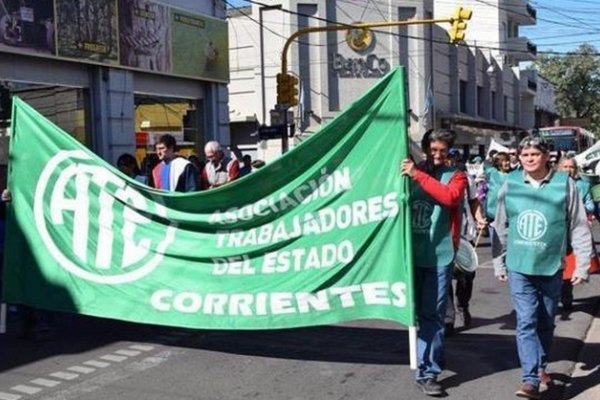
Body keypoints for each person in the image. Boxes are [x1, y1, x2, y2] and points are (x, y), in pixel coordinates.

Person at [493, 136, 593, 399]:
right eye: (524, 155)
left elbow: (579, 226)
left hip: (551, 266)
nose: (529, 159)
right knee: (525, 321)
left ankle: (540, 367)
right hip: (519, 266)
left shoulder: (565, 185)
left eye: (534, 155)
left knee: (545, 323)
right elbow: (500, 226)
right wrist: (498, 261)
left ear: (546, 156)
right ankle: (530, 380)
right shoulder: (510, 183)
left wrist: (582, 266)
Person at [400, 129, 468, 396]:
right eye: (433, 149)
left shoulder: (458, 175)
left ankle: (427, 372)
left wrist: (418, 175)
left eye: (443, 150)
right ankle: (432, 355)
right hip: (411, 255)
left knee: (433, 315)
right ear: (426, 148)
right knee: (415, 315)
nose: (437, 155)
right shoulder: (410, 171)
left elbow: (450, 197)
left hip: (439, 257)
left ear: (449, 150)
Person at [557, 155, 597, 312]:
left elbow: (591, 205)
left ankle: (566, 296)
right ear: (559, 169)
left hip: (575, 228)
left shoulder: (583, 185)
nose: (568, 170)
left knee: (569, 268)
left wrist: (581, 210)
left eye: (571, 167)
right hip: (556, 230)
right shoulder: (553, 184)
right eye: (565, 167)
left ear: (576, 169)